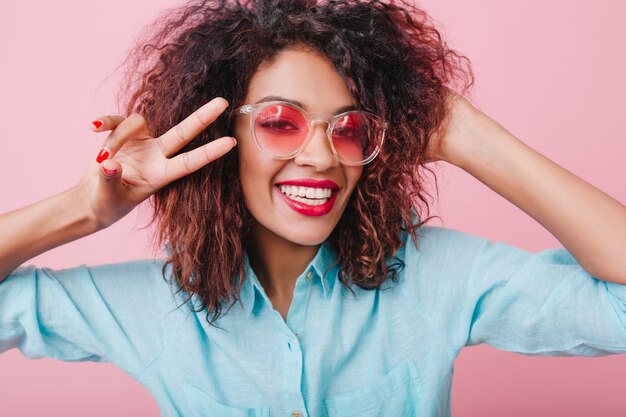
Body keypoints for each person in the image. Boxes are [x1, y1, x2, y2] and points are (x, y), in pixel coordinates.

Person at [1, 0, 625, 416]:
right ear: (225, 143)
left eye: (349, 128)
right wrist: (85, 209)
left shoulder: (437, 279)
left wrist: (467, 134)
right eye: (279, 123)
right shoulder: (160, 309)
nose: (323, 158)